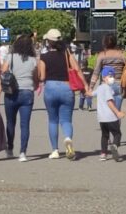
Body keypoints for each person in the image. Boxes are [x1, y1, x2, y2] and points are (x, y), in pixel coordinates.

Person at [38, 29, 89, 160]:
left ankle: (55, 150)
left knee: (53, 120)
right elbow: (77, 70)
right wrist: (85, 86)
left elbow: (42, 76)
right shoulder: (67, 55)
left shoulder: (44, 57)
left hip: (50, 88)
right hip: (67, 88)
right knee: (66, 120)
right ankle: (67, 138)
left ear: (48, 42)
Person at [0, 35, 38, 162]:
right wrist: (35, 85)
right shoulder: (33, 60)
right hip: (27, 93)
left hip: (11, 93)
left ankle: (10, 148)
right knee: (25, 125)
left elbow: (3, 76)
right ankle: (23, 153)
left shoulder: (10, 57)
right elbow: (36, 78)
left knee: (10, 122)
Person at [90, 34, 126, 110]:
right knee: (117, 113)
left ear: (104, 43)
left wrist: (91, 87)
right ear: (115, 43)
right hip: (119, 85)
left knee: (106, 113)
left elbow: (96, 73)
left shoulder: (102, 55)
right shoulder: (122, 55)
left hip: (106, 85)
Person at [95, 66, 126, 161]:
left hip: (101, 118)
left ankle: (103, 154)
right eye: (109, 76)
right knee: (117, 134)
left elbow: (91, 94)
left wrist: (86, 90)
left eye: (113, 76)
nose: (112, 78)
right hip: (111, 117)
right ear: (104, 77)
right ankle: (115, 146)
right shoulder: (108, 89)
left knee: (104, 135)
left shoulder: (99, 88)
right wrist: (118, 113)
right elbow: (110, 102)